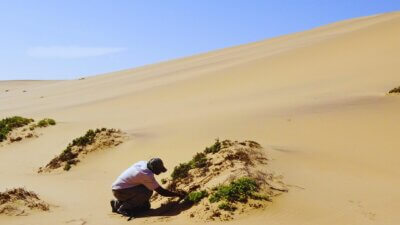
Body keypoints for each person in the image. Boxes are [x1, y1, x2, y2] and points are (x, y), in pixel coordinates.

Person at [110, 158, 185, 216]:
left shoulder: (143, 163)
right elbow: (161, 191)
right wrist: (178, 195)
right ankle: (124, 208)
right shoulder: (146, 174)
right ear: (153, 168)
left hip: (119, 189)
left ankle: (116, 204)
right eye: (159, 170)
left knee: (146, 206)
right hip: (120, 192)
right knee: (147, 192)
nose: (160, 172)